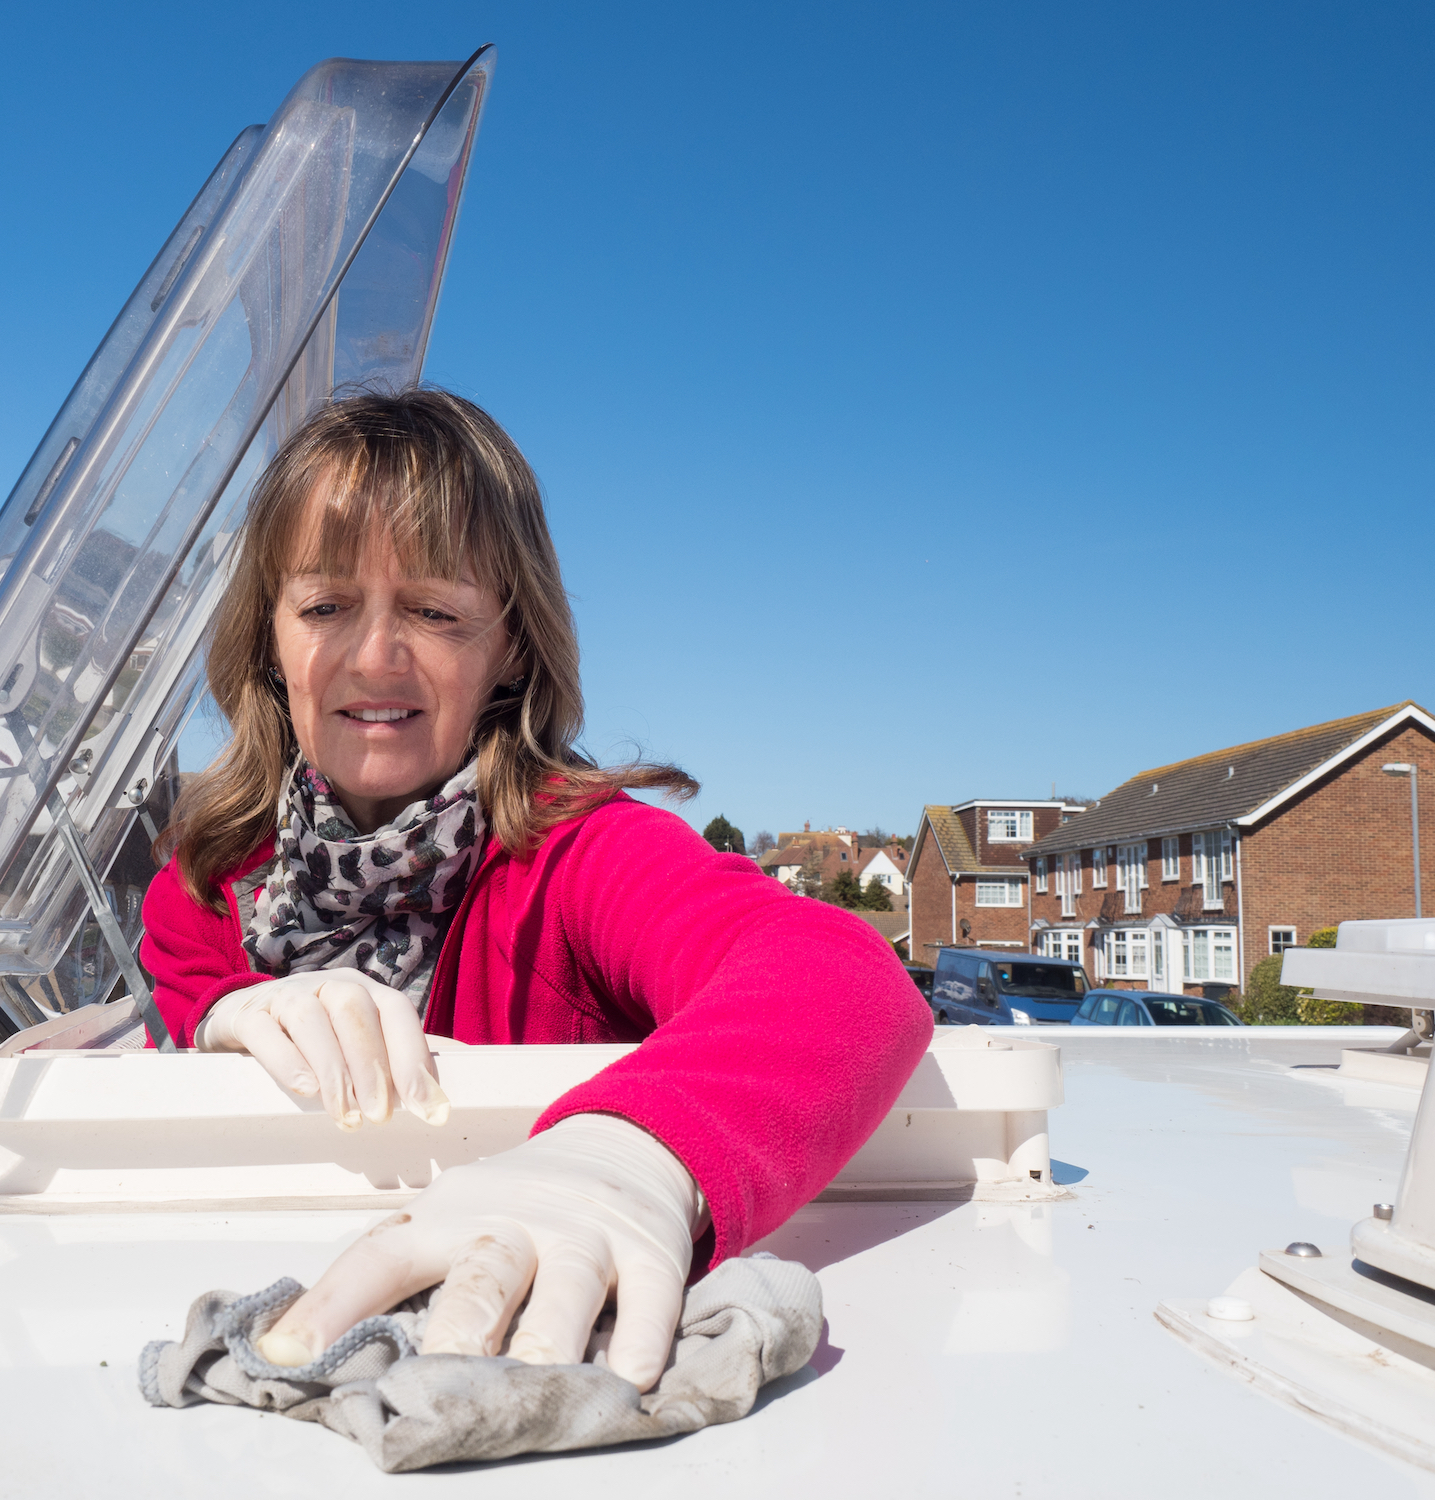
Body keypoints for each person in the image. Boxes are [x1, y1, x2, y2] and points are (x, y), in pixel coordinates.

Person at [141, 390, 930, 1393]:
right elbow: (177, 992)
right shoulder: (204, 885)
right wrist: (228, 1013)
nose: (373, 655)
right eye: (324, 606)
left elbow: (836, 975)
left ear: (507, 644)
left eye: (432, 611)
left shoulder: (576, 856)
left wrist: (628, 1157)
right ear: (270, 636)